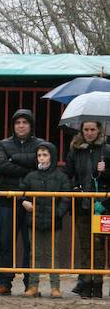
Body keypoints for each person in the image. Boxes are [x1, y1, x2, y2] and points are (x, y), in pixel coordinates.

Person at [0, 109, 43, 295]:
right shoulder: (3, 144)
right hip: (8, 199)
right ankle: (4, 282)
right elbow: (1, 165)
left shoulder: (40, 144)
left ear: (31, 125)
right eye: (17, 123)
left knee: (31, 243)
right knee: (5, 242)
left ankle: (31, 283)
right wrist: (29, 167)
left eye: (25, 122)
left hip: (32, 200)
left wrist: (15, 160)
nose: (21, 126)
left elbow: (43, 164)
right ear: (13, 126)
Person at [63, 120, 110, 299]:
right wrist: (74, 188)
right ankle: (86, 282)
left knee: (98, 245)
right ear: (81, 131)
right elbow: (68, 173)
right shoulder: (75, 150)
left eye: (92, 129)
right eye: (86, 129)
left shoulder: (106, 150)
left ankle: (97, 285)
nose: (89, 132)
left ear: (99, 130)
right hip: (82, 204)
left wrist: (105, 171)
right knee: (85, 245)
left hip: (102, 205)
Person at [20, 142, 70, 298]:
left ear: (52, 157)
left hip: (53, 221)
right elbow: (22, 192)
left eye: (45, 155)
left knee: (53, 253)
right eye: (39, 155)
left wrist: (58, 213)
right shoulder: (31, 176)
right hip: (33, 220)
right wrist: (24, 201)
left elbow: (66, 198)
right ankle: (33, 286)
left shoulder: (61, 177)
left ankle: (55, 287)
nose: (41, 158)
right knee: (34, 253)